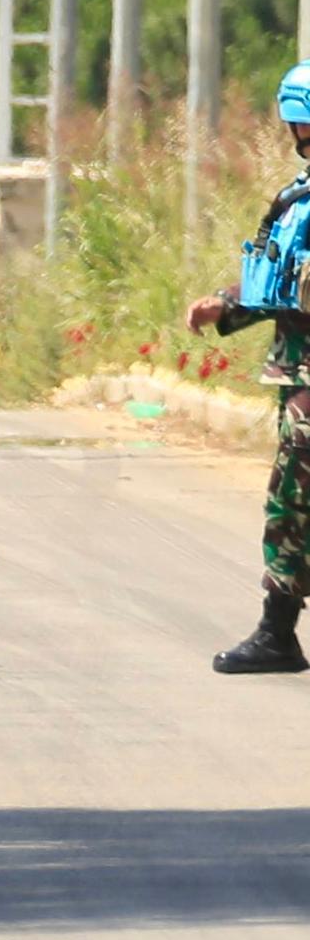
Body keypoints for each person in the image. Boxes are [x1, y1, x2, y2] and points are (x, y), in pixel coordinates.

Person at [184, 60, 310, 675]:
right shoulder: (297, 197)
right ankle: (278, 632)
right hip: (300, 373)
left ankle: (277, 634)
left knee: (293, 502)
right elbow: (284, 282)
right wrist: (226, 305)